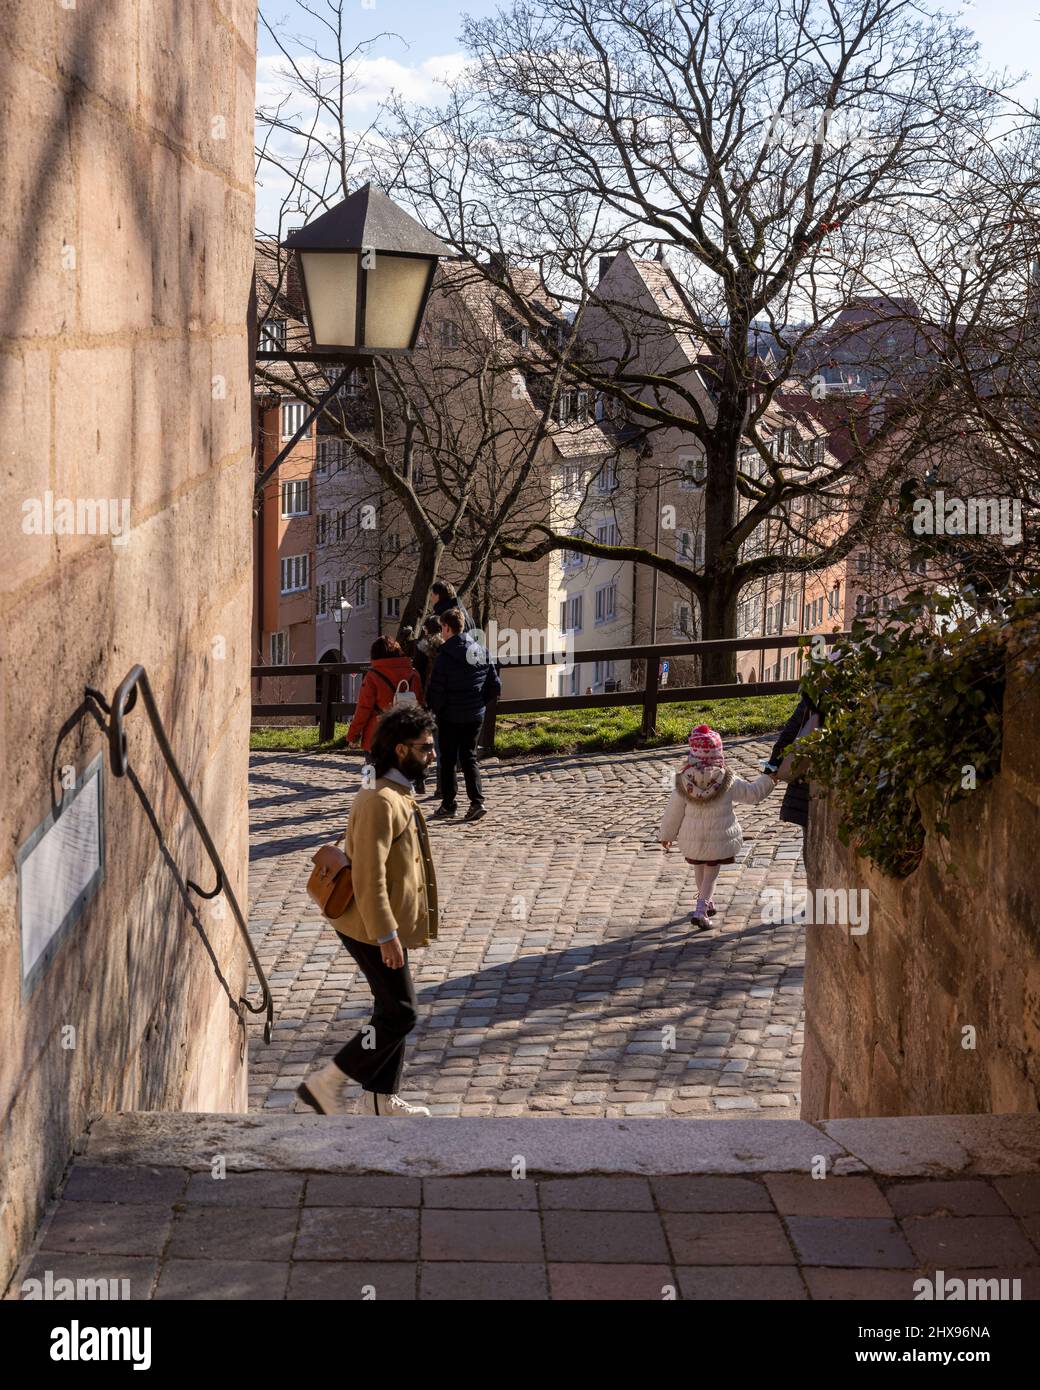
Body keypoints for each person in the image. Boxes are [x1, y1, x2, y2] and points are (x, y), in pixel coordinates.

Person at [296, 706, 439, 1117]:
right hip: (370, 926)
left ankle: (379, 1100)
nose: (432, 755)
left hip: (380, 924)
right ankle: (327, 1085)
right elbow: (368, 877)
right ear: (400, 750)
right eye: (425, 748)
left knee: (389, 1008)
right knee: (402, 1013)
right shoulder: (380, 800)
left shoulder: (394, 791)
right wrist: (387, 936)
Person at [659, 724, 778, 930]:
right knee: (711, 874)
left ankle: (706, 901)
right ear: (718, 752)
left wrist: (667, 834)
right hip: (719, 838)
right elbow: (752, 794)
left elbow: (673, 811)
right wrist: (769, 779)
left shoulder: (682, 781)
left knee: (699, 867)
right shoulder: (727, 779)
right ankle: (701, 909)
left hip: (692, 839)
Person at [425, 607, 500, 822]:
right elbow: (494, 685)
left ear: (447, 628)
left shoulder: (444, 656)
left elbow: (436, 690)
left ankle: (449, 804)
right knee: (469, 757)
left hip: (450, 716)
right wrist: (479, 703)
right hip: (474, 714)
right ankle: (477, 801)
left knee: (448, 760)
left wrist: (437, 710)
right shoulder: (481, 650)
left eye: (442, 628)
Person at [347, 636, 425, 785]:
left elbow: (363, 709)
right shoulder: (413, 674)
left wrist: (353, 734)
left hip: (377, 733)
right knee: (402, 774)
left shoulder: (373, 676)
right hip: (405, 731)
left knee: (370, 775)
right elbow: (419, 705)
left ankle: (368, 799)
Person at [413, 615, 445, 697]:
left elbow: (416, 672)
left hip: (426, 692)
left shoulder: (422, 648)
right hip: (443, 692)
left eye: (424, 628)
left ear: (427, 630)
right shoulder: (446, 647)